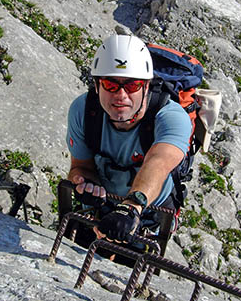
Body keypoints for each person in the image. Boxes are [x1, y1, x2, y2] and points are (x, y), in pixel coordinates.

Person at [66, 34, 192, 244]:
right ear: (97, 85)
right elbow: (80, 166)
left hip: (148, 219)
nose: (121, 95)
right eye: (110, 84)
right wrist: (85, 183)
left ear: (146, 86)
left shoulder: (172, 117)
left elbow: (159, 162)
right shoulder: (83, 110)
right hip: (101, 211)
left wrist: (132, 207)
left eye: (132, 86)